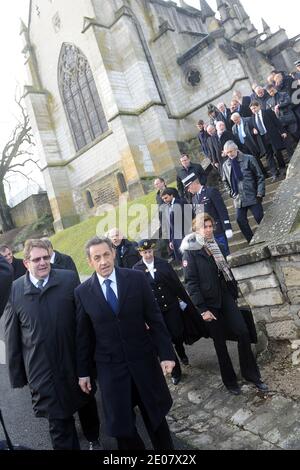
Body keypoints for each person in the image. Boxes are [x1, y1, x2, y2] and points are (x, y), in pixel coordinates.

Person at [75, 237, 176, 450]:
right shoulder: (82, 293)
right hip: (111, 370)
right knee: (123, 428)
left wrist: (166, 354)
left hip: (144, 361)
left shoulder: (136, 279)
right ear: (89, 262)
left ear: (113, 254)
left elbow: (155, 319)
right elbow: (84, 337)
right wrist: (84, 372)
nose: (103, 261)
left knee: (156, 419)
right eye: (97, 258)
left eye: (106, 255)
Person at [4, 239, 101, 450]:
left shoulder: (68, 279)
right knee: (59, 425)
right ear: (26, 263)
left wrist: (90, 362)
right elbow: (12, 336)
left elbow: (83, 324)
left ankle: (94, 439)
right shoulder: (15, 290)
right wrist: (19, 375)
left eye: (46, 257)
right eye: (36, 259)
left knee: (86, 406)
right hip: (42, 372)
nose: (42, 263)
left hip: (74, 363)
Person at [181, 213, 268, 395]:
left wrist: (233, 292)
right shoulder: (190, 252)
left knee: (243, 332)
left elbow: (226, 272)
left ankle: (251, 374)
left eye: (210, 226)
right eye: (204, 227)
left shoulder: (217, 246)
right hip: (208, 304)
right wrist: (202, 309)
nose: (208, 230)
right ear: (196, 230)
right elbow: (191, 283)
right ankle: (230, 382)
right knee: (220, 344)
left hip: (225, 296)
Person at [133, 239, 192, 385]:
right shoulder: (136, 270)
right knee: (164, 341)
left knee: (177, 335)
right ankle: (176, 371)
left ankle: (181, 351)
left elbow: (176, 284)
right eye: (144, 252)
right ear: (140, 253)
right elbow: (137, 295)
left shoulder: (163, 264)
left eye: (149, 251)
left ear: (153, 250)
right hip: (154, 313)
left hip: (171, 307)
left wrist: (184, 300)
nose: (147, 254)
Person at [222, 141, 265, 244]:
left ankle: (267, 236)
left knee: (259, 217)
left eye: (231, 151)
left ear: (236, 149)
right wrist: (231, 193)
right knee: (240, 220)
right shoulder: (225, 165)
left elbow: (260, 176)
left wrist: (260, 193)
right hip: (238, 199)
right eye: (227, 152)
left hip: (252, 195)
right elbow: (224, 181)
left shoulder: (248, 159)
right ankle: (252, 241)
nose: (229, 154)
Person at [182, 173, 233, 257]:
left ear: (194, 184)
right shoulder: (194, 199)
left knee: (224, 254)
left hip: (217, 230)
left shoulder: (211, 191)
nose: (188, 190)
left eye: (188, 187)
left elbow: (222, 210)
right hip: (206, 234)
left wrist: (227, 227)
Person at [161, 188, 191, 262]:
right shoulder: (167, 208)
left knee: (190, 257)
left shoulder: (181, 202)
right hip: (176, 239)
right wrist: (171, 240)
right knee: (183, 260)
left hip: (186, 235)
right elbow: (170, 225)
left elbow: (190, 218)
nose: (165, 200)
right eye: (163, 199)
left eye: (166, 198)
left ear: (171, 195)